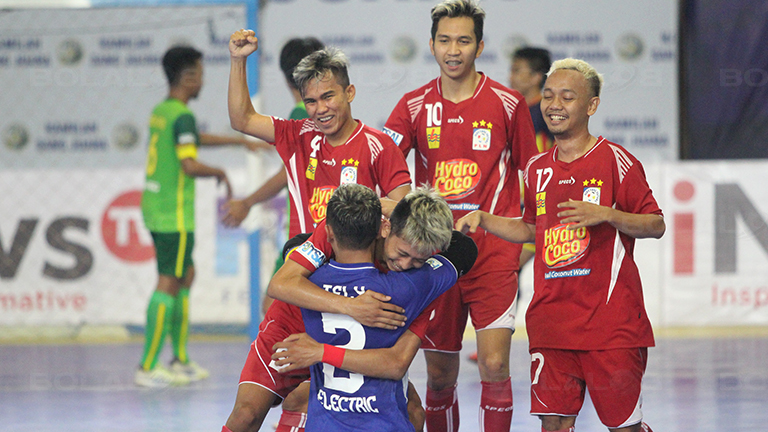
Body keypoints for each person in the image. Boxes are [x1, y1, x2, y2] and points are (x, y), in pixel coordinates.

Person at [456, 58, 664, 432]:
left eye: (567, 97)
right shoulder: (536, 168)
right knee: (553, 425)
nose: (554, 105)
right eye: (548, 96)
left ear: (591, 105)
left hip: (610, 326)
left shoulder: (617, 161)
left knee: (624, 427)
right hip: (551, 325)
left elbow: (656, 224)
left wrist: (607, 214)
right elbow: (533, 229)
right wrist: (484, 219)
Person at [223, 30, 413, 432]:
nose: (320, 109)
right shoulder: (298, 136)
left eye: (328, 97)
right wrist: (238, 60)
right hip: (301, 290)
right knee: (245, 414)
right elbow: (241, 118)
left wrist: (358, 215)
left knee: (410, 412)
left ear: (350, 93)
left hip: (357, 295)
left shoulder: (379, 146)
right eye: (310, 100)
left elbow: (402, 209)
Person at [382, 1, 538, 430]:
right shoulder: (413, 106)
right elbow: (383, 166)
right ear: (431, 45)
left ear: (480, 46)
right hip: (435, 258)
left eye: (464, 41)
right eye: (445, 40)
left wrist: (530, 230)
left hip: (493, 256)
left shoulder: (509, 104)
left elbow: (534, 171)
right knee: (439, 375)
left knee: (493, 365)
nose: (454, 50)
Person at [269, 184, 476, 432]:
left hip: (327, 409)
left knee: (413, 408)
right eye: (401, 253)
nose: (406, 265)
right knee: (413, 411)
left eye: (419, 260)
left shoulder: (316, 273)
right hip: (382, 414)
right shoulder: (414, 285)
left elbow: (294, 248)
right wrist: (350, 307)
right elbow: (465, 248)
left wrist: (322, 346)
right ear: (385, 227)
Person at [136, 45, 255, 387]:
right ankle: (147, 367)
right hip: (174, 215)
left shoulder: (165, 111)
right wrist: (220, 172)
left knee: (186, 275)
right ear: (188, 77)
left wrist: (236, 142)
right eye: (201, 74)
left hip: (155, 207)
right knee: (169, 282)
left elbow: (190, 139)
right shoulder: (182, 115)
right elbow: (188, 164)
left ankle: (180, 360)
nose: (203, 80)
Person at [222, 36, 324, 314]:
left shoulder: (301, 113)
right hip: (321, 232)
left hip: (305, 234)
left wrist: (247, 202)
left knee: (274, 312)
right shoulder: (328, 114)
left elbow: (285, 174)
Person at [468, 45, 555, 363]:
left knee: (522, 268)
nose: (511, 76)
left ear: (536, 77)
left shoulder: (545, 113)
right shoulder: (514, 109)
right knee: (514, 269)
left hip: (540, 210)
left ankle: (510, 334)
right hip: (518, 210)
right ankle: (499, 334)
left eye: (518, 70)